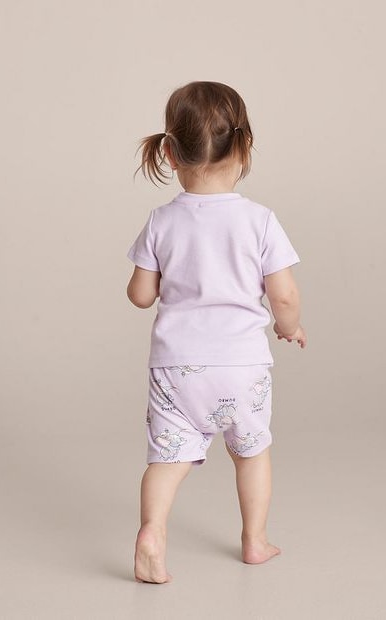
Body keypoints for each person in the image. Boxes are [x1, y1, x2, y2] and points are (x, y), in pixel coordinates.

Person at [126, 81, 306, 584]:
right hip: (242, 367)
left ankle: (152, 532)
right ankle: (255, 541)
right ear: (245, 147)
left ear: (169, 152)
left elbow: (140, 295)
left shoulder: (161, 221)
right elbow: (284, 296)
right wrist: (290, 328)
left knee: (168, 460)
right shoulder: (260, 221)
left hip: (176, 369)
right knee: (251, 453)